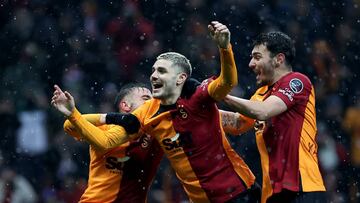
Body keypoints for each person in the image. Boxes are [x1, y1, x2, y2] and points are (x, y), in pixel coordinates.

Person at [51, 21, 257, 202]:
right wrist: (94, 115)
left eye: (161, 71)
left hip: (238, 191)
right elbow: (94, 137)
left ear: (180, 79)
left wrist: (261, 106)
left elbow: (233, 108)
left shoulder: (195, 103)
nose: (153, 77)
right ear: (125, 106)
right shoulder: (136, 120)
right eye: (153, 71)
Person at [222, 31, 326, 203]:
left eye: (257, 57)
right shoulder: (260, 95)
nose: (250, 64)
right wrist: (199, 103)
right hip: (272, 194)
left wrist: (220, 95)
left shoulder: (297, 82)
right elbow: (236, 123)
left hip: (301, 187)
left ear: (279, 59)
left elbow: (262, 111)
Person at [58, 83, 164, 203]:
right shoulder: (105, 128)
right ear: (125, 105)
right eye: (146, 99)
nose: (152, 104)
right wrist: (109, 118)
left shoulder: (156, 135)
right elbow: (69, 125)